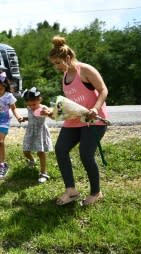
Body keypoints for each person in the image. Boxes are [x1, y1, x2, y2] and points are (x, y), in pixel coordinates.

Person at [47, 36, 109, 206]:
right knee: (60, 149)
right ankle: (71, 191)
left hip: (94, 120)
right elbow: (70, 104)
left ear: (67, 58)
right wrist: (53, 112)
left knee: (85, 154)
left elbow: (103, 90)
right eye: (54, 64)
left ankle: (96, 192)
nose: (56, 67)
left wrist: (95, 109)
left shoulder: (86, 70)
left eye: (58, 63)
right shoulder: (65, 76)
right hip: (75, 120)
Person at [21, 87, 52, 183]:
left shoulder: (43, 108)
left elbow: (53, 115)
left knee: (40, 152)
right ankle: (32, 160)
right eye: (29, 105)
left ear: (40, 99)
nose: (32, 106)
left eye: (34, 104)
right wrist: (25, 118)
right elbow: (31, 116)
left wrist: (48, 113)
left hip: (40, 132)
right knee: (26, 150)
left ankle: (44, 173)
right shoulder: (29, 108)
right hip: (30, 131)